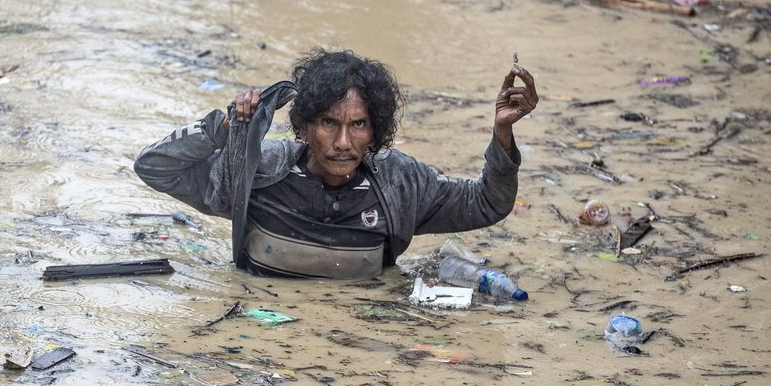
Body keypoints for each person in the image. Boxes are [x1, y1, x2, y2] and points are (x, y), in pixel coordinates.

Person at [134, 48, 538, 279]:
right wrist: (221, 129)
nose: (344, 143)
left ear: (375, 129)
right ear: (305, 125)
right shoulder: (258, 171)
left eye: (358, 125)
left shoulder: (400, 184)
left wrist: (502, 133)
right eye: (329, 123)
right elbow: (153, 167)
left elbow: (488, 203)